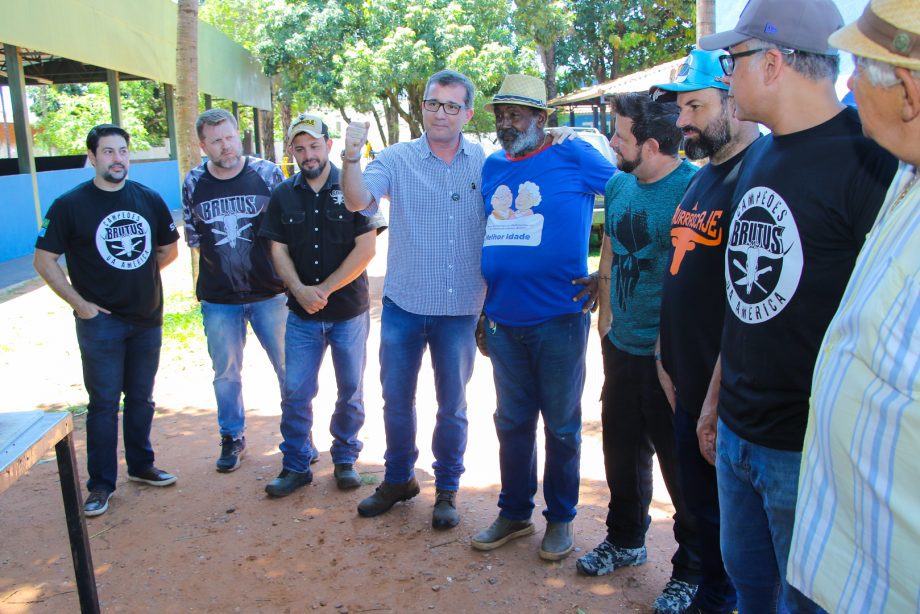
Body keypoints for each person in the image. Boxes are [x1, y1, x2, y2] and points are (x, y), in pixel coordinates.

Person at [697, 0, 899, 610]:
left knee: (804, 601)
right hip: (737, 435)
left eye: (734, 61)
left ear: (775, 62)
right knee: (751, 588)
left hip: (809, 452)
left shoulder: (871, 161)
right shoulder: (760, 153)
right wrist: (715, 399)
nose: (726, 77)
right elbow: (746, 298)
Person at [787, 1, 920, 611]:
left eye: (861, 71)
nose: (847, 86)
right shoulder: (903, 175)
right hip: (844, 563)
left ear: (909, 93)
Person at [468, 74, 614, 561]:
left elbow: (627, 194)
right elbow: (489, 238)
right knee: (511, 421)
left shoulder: (573, 155)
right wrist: (483, 311)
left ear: (541, 119)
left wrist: (605, 272)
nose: (506, 124)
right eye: (500, 115)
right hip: (503, 321)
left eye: (516, 115)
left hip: (558, 319)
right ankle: (514, 514)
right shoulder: (491, 166)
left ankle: (561, 520)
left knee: (562, 427)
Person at [339, 69, 486, 529]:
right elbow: (357, 200)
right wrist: (348, 157)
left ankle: (447, 489)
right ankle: (399, 479)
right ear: (422, 106)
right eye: (432, 103)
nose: (440, 114)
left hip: (461, 309)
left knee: (453, 406)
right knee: (397, 401)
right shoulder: (396, 158)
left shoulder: (485, 162)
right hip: (404, 306)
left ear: (467, 113)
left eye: (451, 106)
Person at [572, 91, 700, 614]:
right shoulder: (620, 182)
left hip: (670, 359)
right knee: (621, 452)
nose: (612, 143)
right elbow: (609, 248)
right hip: (621, 345)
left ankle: (692, 569)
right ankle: (626, 539)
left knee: (682, 468)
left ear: (649, 145)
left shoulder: (694, 189)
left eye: (619, 135)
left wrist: (673, 355)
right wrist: (604, 317)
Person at [651, 48, 762, 614]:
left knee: (734, 530)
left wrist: (714, 399)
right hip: (683, 383)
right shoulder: (702, 180)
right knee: (699, 509)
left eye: (696, 105)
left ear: (735, 100)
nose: (683, 120)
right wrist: (661, 356)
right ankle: (711, 596)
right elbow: (680, 271)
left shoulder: (760, 175)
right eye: (681, 106)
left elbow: (750, 304)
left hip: (724, 399)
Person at [33, 124, 180, 517]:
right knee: (102, 404)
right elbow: (43, 260)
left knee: (142, 398)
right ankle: (100, 484)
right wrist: (80, 303)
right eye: (109, 152)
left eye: (123, 151)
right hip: (100, 322)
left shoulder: (147, 199)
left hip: (147, 318)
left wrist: (141, 278)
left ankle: (141, 466)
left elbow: (168, 249)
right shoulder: (70, 205)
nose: (118, 159)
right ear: (93, 158)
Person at [257, 113, 386, 497]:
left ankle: (345, 460)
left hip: (348, 313)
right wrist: (298, 289)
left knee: (350, 390)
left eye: (314, 145)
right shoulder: (283, 194)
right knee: (296, 392)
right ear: (292, 152)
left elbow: (367, 249)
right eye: (299, 148)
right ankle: (296, 465)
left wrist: (323, 290)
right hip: (301, 316)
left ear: (328, 146)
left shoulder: (353, 187)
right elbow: (276, 249)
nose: (307, 154)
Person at [181, 108, 287, 473]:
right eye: (215, 141)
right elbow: (195, 238)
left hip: (270, 292)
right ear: (202, 145)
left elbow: (286, 230)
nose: (225, 146)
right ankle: (232, 436)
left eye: (229, 137)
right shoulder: (193, 181)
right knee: (225, 373)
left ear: (238, 135)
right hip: (219, 298)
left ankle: (298, 436)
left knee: (289, 368)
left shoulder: (267, 173)